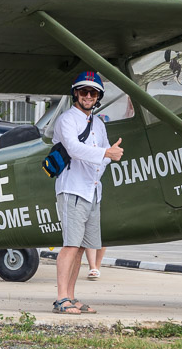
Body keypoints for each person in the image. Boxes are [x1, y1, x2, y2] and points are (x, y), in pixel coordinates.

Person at [52, 71, 124, 315]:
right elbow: (73, 149)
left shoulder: (99, 124)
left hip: (92, 192)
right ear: (76, 93)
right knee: (71, 246)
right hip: (73, 190)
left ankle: (71, 297)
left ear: (98, 97)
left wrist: (106, 156)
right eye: (84, 91)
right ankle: (61, 298)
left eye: (93, 92)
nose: (88, 96)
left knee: (82, 247)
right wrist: (106, 154)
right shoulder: (67, 120)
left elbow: (102, 156)